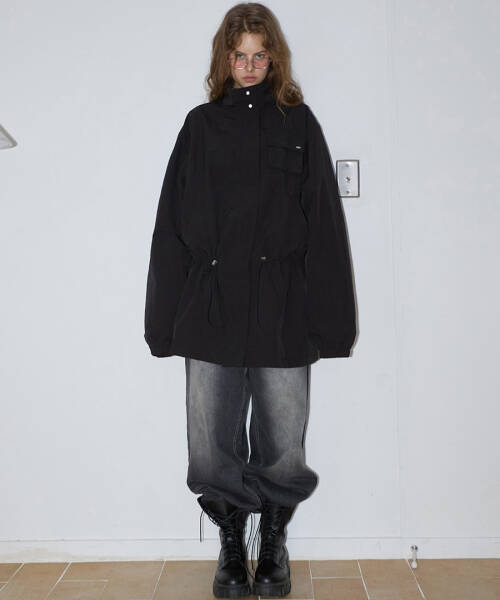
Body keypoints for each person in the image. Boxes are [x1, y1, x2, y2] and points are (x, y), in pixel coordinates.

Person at [144, 3, 357, 597]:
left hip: (282, 308)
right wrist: (162, 323)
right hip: (208, 307)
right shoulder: (199, 127)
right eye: (239, 56)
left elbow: (325, 227)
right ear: (224, 58)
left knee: (284, 442)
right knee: (210, 443)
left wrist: (332, 324)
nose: (249, 66)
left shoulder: (298, 124)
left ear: (274, 58)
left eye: (260, 55)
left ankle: (275, 542)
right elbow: (169, 226)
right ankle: (232, 546)